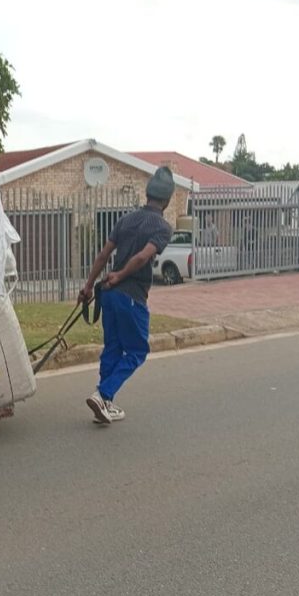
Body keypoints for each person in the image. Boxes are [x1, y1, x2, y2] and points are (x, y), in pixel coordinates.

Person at [79, 167, 174, 424]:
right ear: (167, 200)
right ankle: (104, 394)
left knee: (113, 346)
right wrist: (121, 276)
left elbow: (103, 255)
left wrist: (87, 287)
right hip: (130, 295)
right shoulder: (163, 227)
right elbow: (144, 256)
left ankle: (104, 402)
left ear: (148, 194)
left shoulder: (126, 219)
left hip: (107, 294)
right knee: (136, 351)